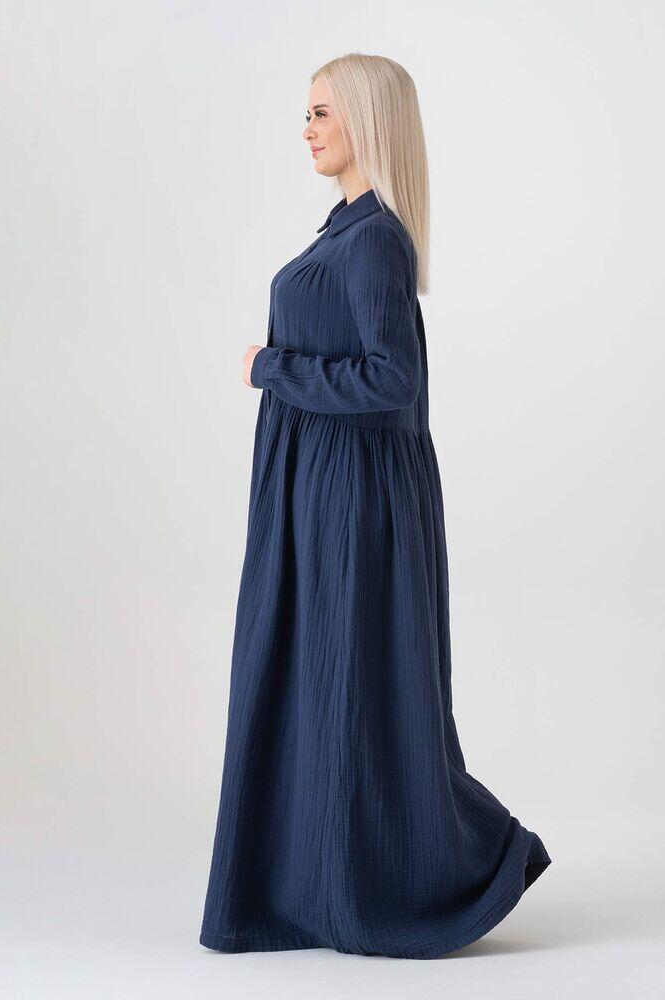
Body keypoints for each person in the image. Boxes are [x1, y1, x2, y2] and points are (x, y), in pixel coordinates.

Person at [199, 53, 551, 960]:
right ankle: (312, 884)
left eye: (322, 112)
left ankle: (449, 867)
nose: (307, 129)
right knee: (310, 675)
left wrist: (269, 367)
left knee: (349, 680)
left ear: (365, 117)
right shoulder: (342, 231)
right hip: (316, 488)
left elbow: (392, 379)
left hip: (348, 496)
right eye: (305, 114)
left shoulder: (375, 241)